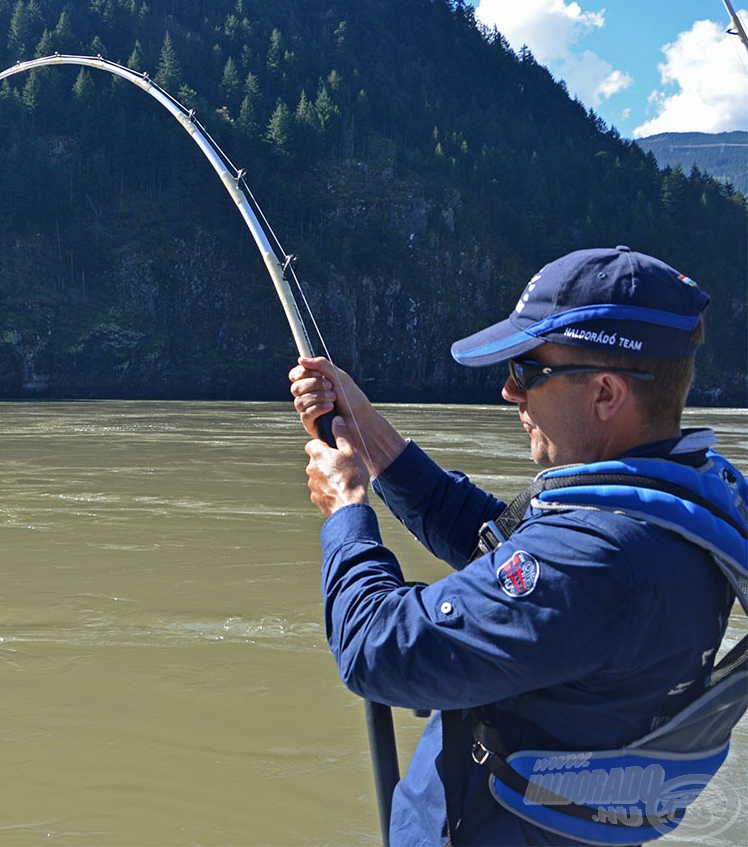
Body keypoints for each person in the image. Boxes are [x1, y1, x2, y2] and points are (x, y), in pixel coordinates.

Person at [288, 246, 748, 846]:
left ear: (606, 393)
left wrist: (348, 511)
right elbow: (495, 537)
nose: (509, 392)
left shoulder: (600, 559)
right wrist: (364, 429)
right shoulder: (684, 499)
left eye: (529, 370)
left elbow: (380, 650)